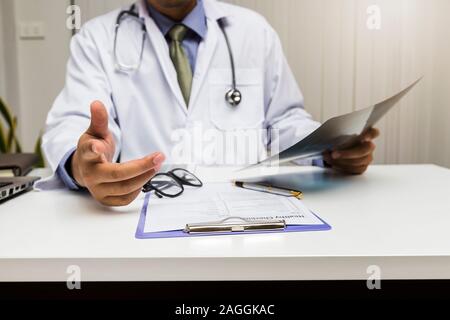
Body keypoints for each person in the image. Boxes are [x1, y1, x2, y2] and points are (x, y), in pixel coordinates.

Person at [42, 0, 379, 206]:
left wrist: (328, 149)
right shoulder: (97, 38)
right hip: (141, 214)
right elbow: (75, 124)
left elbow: (284, 120)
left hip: (248, 214)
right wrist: (82, 164)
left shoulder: (253, 30)